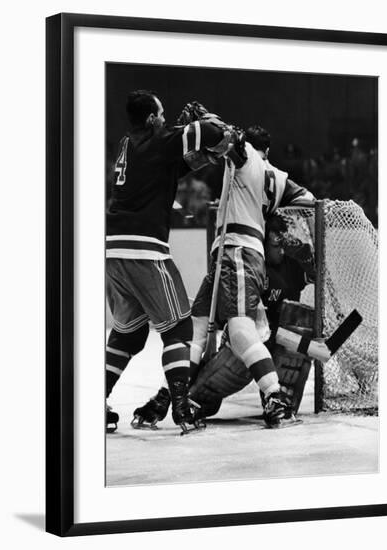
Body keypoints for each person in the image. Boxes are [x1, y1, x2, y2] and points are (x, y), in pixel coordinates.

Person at [133, 121, 314, 429]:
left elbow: (231, 144)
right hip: (229, 256)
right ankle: (171, 397)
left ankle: (275, 399)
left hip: (238, 253)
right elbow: (309, 202)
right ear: (269, 150)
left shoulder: (246, 158)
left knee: (239, 332)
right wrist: (271, 214)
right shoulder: (280, 177)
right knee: (196, 332)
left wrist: (203, 121)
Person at [105, 91, 242, 434]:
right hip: (145, 251)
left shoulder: (128, 143)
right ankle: (181, 408)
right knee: (179, 330)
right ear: (151, 118)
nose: (166, 118)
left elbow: (175, 164)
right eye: (162, 114)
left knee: (129, 335)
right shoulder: (162, 137)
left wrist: (203, 154)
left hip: (112, 251)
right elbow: (209, 132)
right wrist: (214, 128)